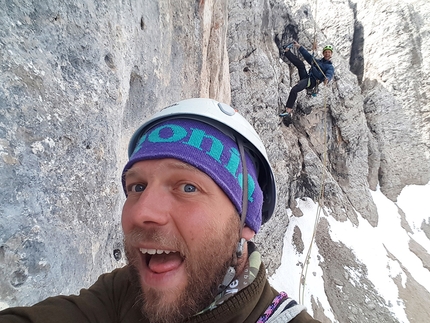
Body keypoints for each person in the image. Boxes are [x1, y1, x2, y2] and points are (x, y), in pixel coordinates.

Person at [0, 98, 321, 323]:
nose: (142, 212)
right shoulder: (123, 292)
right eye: (137, 187)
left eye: (188, 187)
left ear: (245, 224)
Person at [279, 41, 334, 118]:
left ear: (331, 54)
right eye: (326, 52)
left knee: (294, 89)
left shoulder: (329, 67)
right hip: (307, 77)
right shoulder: (317, 61)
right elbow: (307, 56)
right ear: (323, 53)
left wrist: (327, 79)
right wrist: (299, 46)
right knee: (301, 64)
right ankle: (287, 52)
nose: (327, 54)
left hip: (311, 82)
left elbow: (329, 73)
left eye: (329, 52)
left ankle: (288, 110)